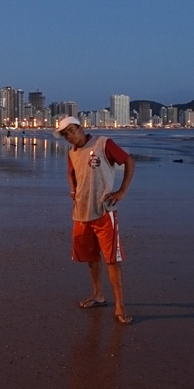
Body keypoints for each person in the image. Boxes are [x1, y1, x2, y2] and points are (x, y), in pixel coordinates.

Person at [55, 116, 136, 325]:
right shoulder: (71, 153)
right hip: (81, 213)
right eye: (66, 135)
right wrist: (72, 189)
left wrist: (122, 191)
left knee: (111, 259)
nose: (70, 137)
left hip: (103, 211)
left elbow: (128, 161)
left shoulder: (102, 143)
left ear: (81, 128)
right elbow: (71, 173)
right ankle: (98, 295)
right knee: (91, 257)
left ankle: (119, 305)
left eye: (72, 131)